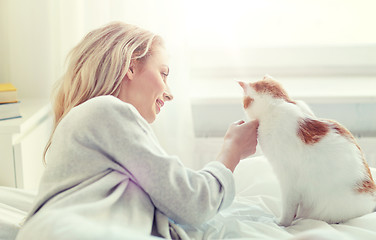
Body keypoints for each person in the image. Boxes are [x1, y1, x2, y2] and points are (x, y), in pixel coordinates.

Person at [16, 21, 259, 240]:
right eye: (163, 73)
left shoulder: (88, 123)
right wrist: (231, 151)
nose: (169, 92)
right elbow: (192, 202)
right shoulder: (106, 110)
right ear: (130, 67)